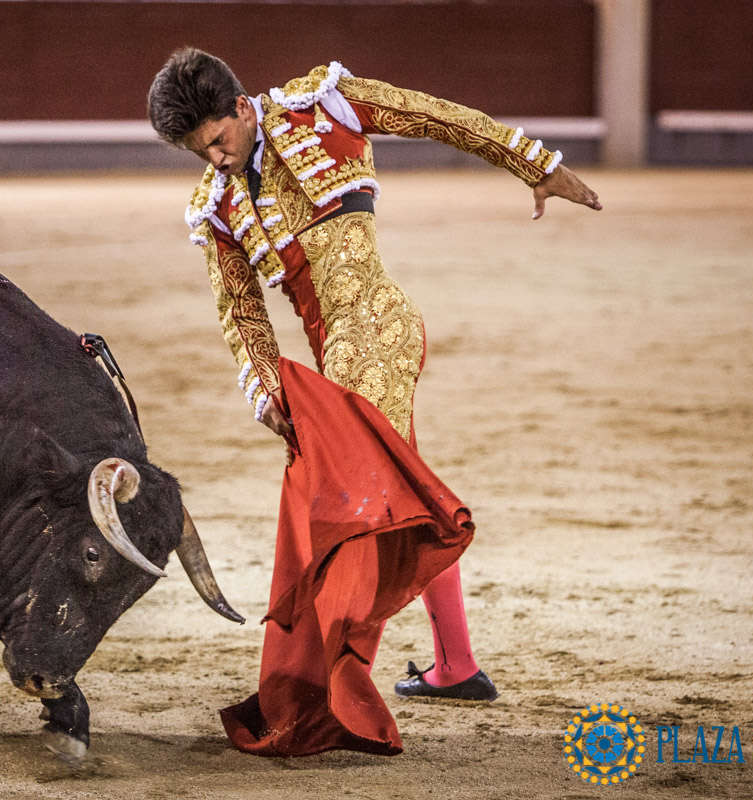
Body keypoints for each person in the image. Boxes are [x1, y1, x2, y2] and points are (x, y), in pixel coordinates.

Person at [147, 49, 601, 757]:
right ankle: (456, 666)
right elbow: (241, 312)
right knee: (401, 492)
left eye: (215, 139)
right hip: (335, 364)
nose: (214, 158)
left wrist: (533, 164)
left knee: (352, 511)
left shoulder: (323, 107)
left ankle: (333, 695)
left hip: (381, 335)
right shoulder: (218, 207)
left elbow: (435, 116)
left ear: (239, 106)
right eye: (196, 151)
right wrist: (265, 389)